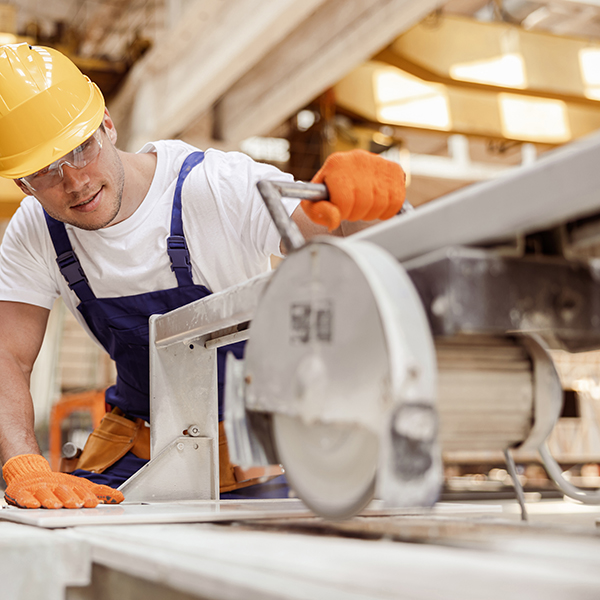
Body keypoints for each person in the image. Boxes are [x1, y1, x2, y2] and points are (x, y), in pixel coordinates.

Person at [0, 43, 406, 509]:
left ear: (107, 124)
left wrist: (365, 203)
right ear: (22, 184)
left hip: (263, 448)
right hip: (141, 446)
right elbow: (8, 355)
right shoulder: (36, 231)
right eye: (45, 172)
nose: (75, 181)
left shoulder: (214, 185)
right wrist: (23, 464)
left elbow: (332, 236)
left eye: (81, 149)